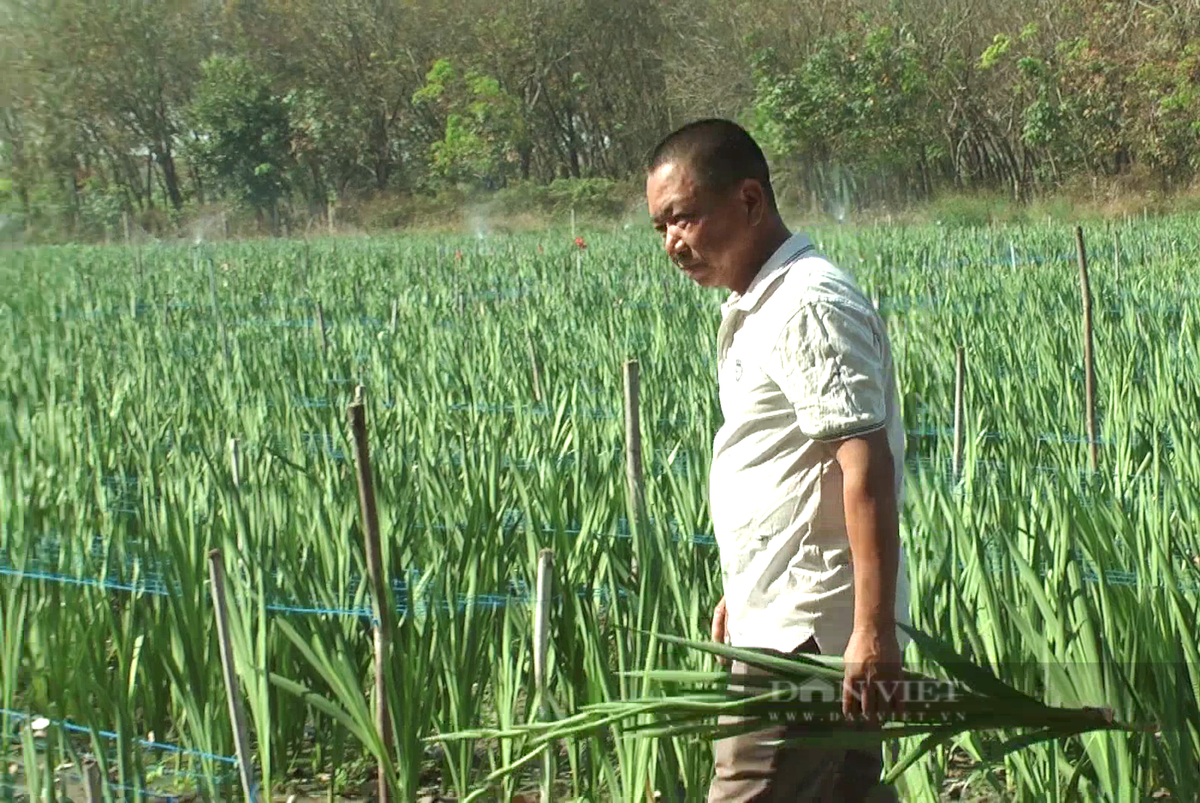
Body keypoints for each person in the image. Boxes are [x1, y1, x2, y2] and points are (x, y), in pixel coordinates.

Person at [645, 118, 911, 802]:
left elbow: (864, 466)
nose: (672, 242)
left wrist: (872, 633)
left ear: (750, 200)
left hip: (807, 637)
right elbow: (794, 467)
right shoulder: (759, 303)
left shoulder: (806, 304)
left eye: (684, 217)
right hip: (789, 618)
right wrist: (745, 591)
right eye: (660, 227)